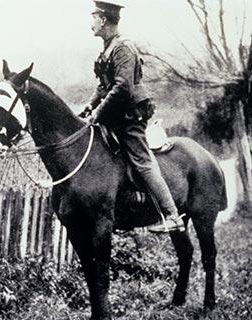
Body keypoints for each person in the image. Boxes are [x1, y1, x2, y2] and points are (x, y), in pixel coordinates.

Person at [78, 0, 185, 233]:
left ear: (104, 19)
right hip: (114, 115)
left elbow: (123, 87)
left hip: (129, 117)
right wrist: (89, 105)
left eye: (93, 18)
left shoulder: (123, 48)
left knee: (143, 162)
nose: (91, 24)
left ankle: (172, 215)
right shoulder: (107, 47)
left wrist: (98, 112)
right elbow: (103, 85)